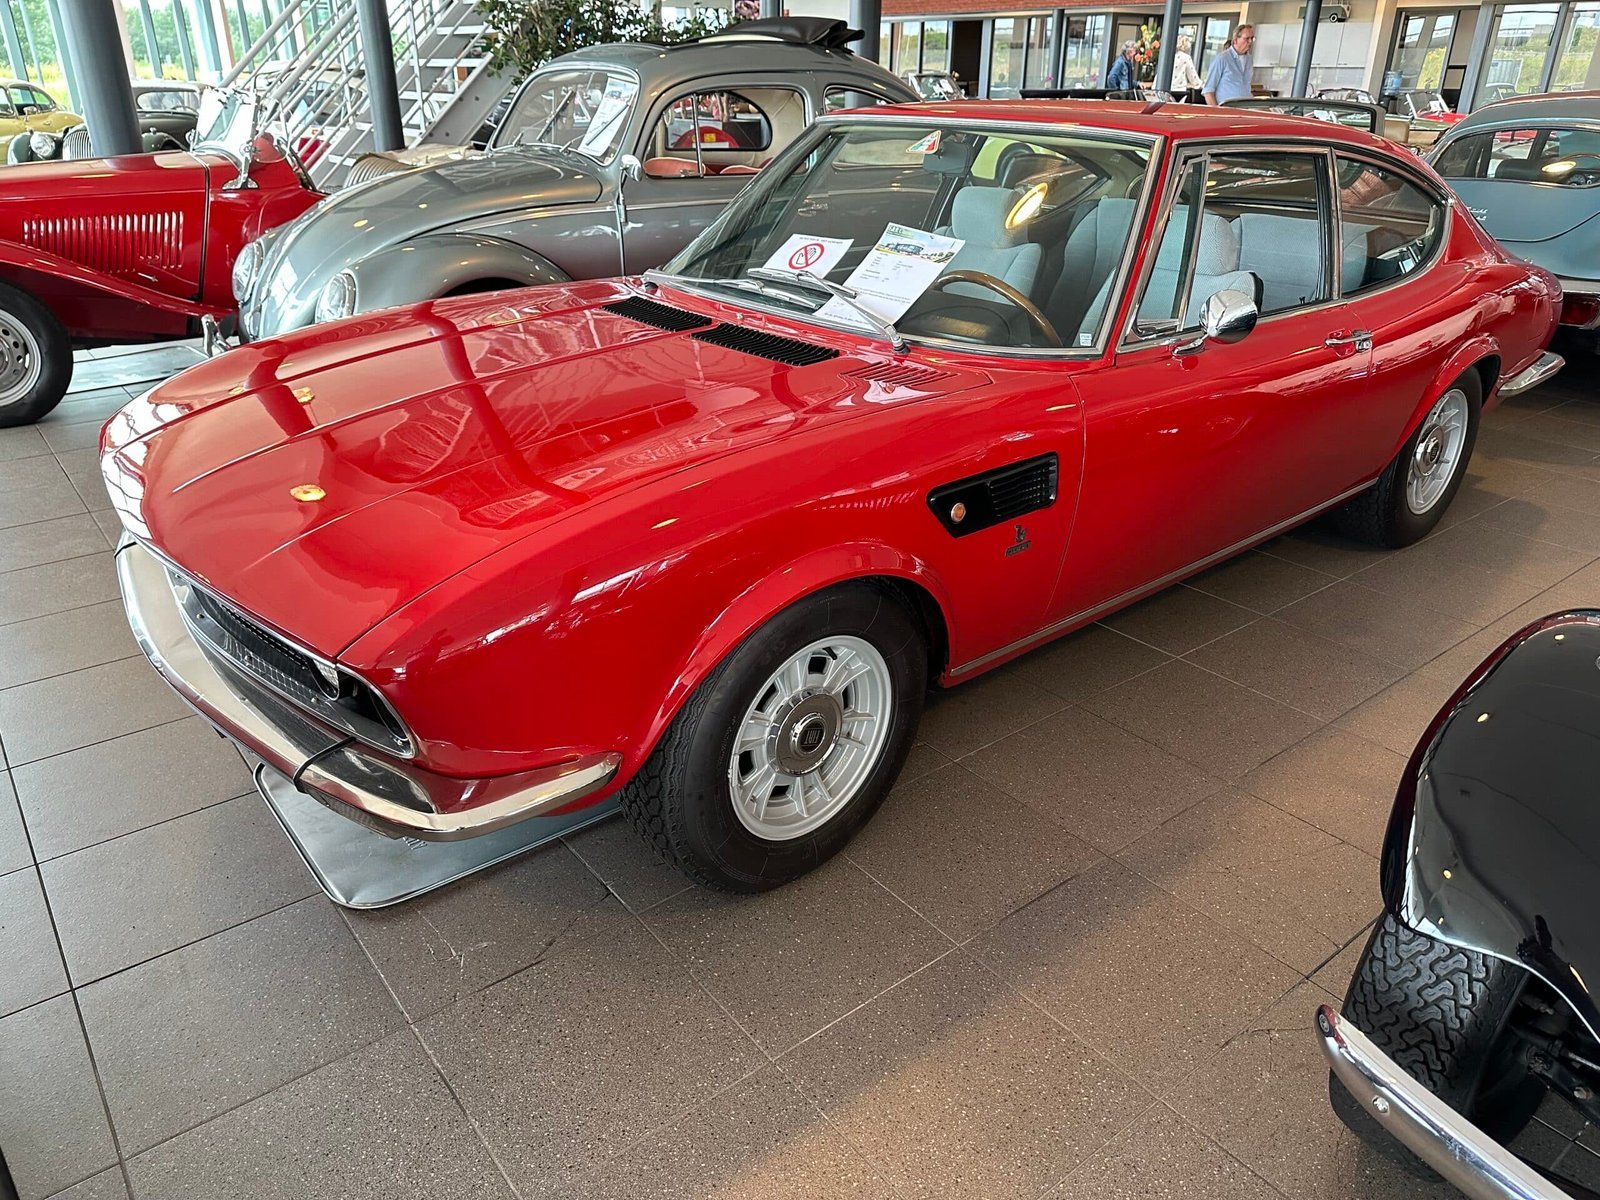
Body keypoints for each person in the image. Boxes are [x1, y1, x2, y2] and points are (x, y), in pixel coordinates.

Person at [1203, 24, 1255, 104]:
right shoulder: (1222, 59)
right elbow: (1208, 91)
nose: (1250, 41)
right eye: (1247, 38)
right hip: (1226, 109)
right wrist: (1216, 111)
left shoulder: (1249, 60)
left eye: (1252, 38)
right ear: (1235, 40)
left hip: (1245, 108)